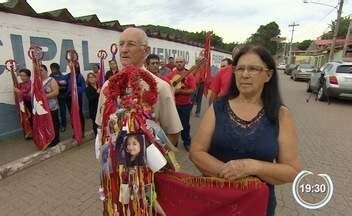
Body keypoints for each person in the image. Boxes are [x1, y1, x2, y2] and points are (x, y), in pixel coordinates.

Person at [189, 45, 302, 216]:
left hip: (257, 205)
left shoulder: (280, 115)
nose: (245, 74)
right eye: (240, 68)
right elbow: (196, 152)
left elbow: (292, 170)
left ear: (268, 75)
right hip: (216, 202)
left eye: (253, 69)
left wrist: (252, 166)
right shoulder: (218, 108)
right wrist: (230, 173)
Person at [96, 27, 182, 146]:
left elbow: (173, 133)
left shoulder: (160, 87)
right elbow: (102, 125)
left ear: (146, 51)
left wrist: (155, 160)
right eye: (121, 44)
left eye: (131, 44)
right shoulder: (108, 86)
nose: (124, 49)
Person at [164, 56, 196, 151]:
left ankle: (187, 142)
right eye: (177, 62)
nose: (179, 63)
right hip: (173, 105)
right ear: (174, 63)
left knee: (185, 125)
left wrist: (179, 91)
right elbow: (166, 86)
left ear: (184, 63)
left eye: (181, 62)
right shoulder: (170, 75)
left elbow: (193, 90)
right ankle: (174, 143)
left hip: (185, 105)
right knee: (173, 125)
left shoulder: (189, 75)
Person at [41, 64, 60, 147]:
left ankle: (55, 139)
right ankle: (47, 138)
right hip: (41, 108)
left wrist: (43, 97)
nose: (40, 72)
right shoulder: (37, 82)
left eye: (41, 70)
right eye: (38, 70)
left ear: (46, 70)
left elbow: (56, 92)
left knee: (53, 123)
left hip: (51, 106)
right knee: (45, 124)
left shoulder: (51, 80)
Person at [66, 63, 86, 136]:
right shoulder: (68, 76)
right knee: (72, 115)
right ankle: (75, 131)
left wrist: (75, 90)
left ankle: (81, 131)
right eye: (70, 66)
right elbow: (65, 85)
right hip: (69, 98)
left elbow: (83, 87)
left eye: (74, 66)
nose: (72, 67)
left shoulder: (79, 76)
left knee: (79, 114)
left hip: (77, 98)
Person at [50, 63, 68, 132]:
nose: (53, 70)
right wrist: (56, 86)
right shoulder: (50, 78)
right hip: (52, 98)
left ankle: (63, 125)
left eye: (55, 68)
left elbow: (64, 87)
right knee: (54, 113)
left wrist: (56, 87)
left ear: (58, 69)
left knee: (62, 112)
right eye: (52, 69)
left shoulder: (63, 77)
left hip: (61, 97)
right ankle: (57, 125)